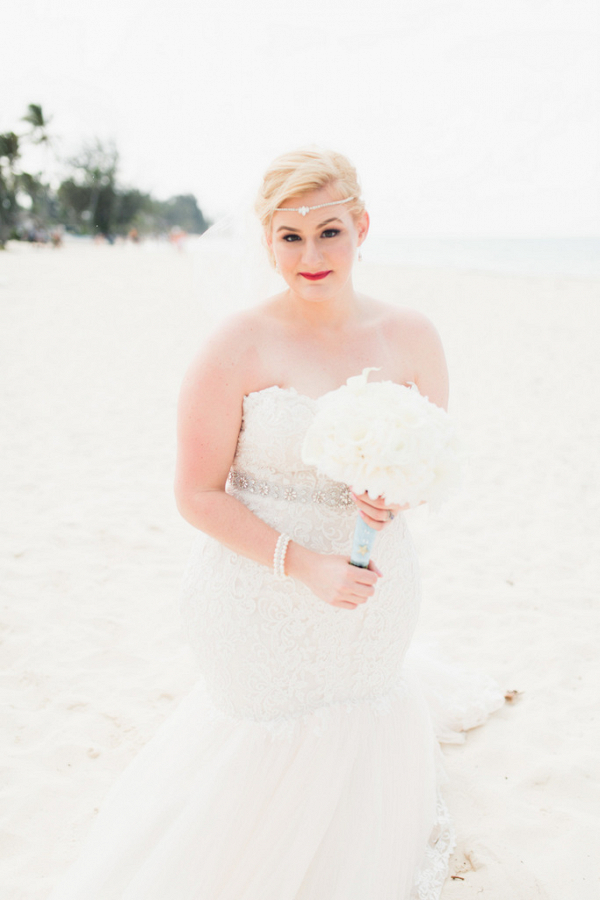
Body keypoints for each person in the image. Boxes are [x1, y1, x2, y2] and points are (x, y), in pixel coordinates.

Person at [48, 148, 502, 900]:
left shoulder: (412, 336)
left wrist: (391, 496)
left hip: (374, 590)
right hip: (258, 594)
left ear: (361, 225)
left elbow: (428, 458)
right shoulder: (236, 344)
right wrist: (304, 564)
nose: (311, 254)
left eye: (329, 231)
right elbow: (196, 493)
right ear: (266, 241)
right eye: (289, 237)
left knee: (363, 719)